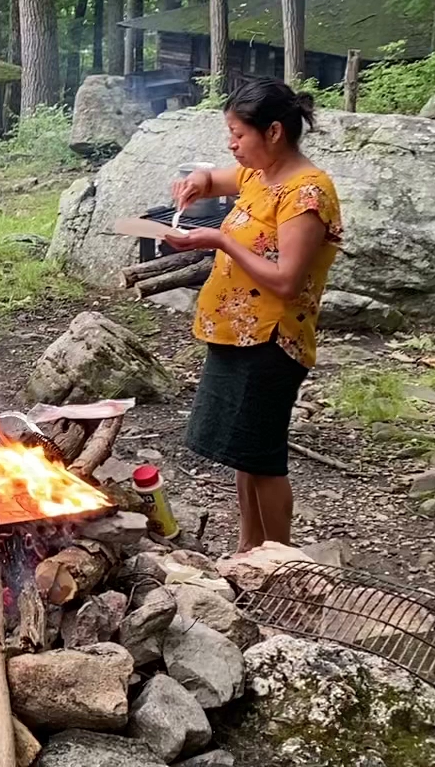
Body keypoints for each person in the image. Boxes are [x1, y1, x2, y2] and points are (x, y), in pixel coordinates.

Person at [164, 78, 342, 553]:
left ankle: (280, 561)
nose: (232, 144)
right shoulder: (259, 175)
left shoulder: (306, 193)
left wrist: (220, 240)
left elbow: (287, 279)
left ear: (275, 132)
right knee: (244, 453)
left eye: (239, 134)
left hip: (273, 340)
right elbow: (215, 178)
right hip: (236, 332)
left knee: (264, 458)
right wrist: (196, 184)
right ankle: (248, 550)